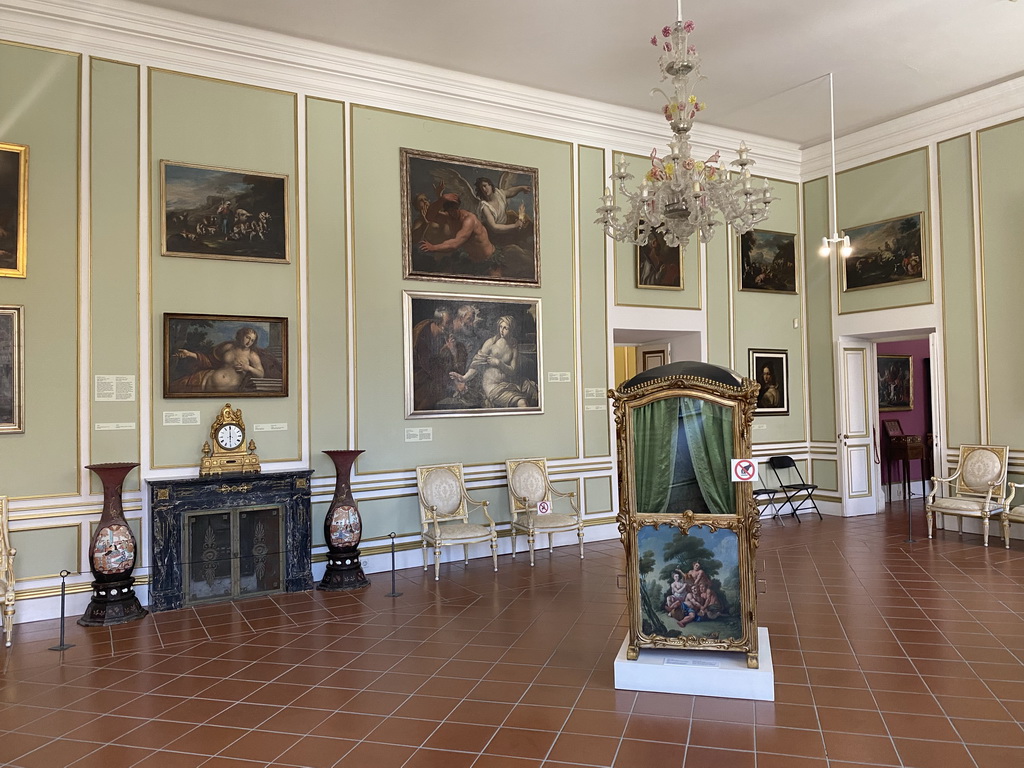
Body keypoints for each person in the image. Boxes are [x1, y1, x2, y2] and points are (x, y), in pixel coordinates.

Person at [450, 315, 538, 409]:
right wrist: (464, 378)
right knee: (522, 403)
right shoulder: (491, 343)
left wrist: (499, 363)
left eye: (505, 328)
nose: (502, 330)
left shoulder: (513, 344)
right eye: (500, 327)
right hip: (493, 386)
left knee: (534, 392)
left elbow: (513, 370)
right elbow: (476, 364)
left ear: (511, 330)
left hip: (510, 382)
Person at [169, 326, 266, 394]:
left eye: (252, 340)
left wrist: (248, 368)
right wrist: (189, 354)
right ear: (241, 336)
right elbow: (209, 360)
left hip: (226, 391)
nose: (249, 342)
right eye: (247, 337)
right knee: (174, 388)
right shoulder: (228, 346)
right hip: (205, 379)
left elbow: (261, 374)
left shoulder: (252, 355)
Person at [411, 306, 464, 410]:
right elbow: (430, 367)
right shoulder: (423, 337)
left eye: (450, 322)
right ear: (437, 322)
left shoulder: (443, 334)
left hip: (436, 374)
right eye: (447, 323)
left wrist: (450, 350)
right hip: (421, 379)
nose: (450, 326)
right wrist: (453, 384)